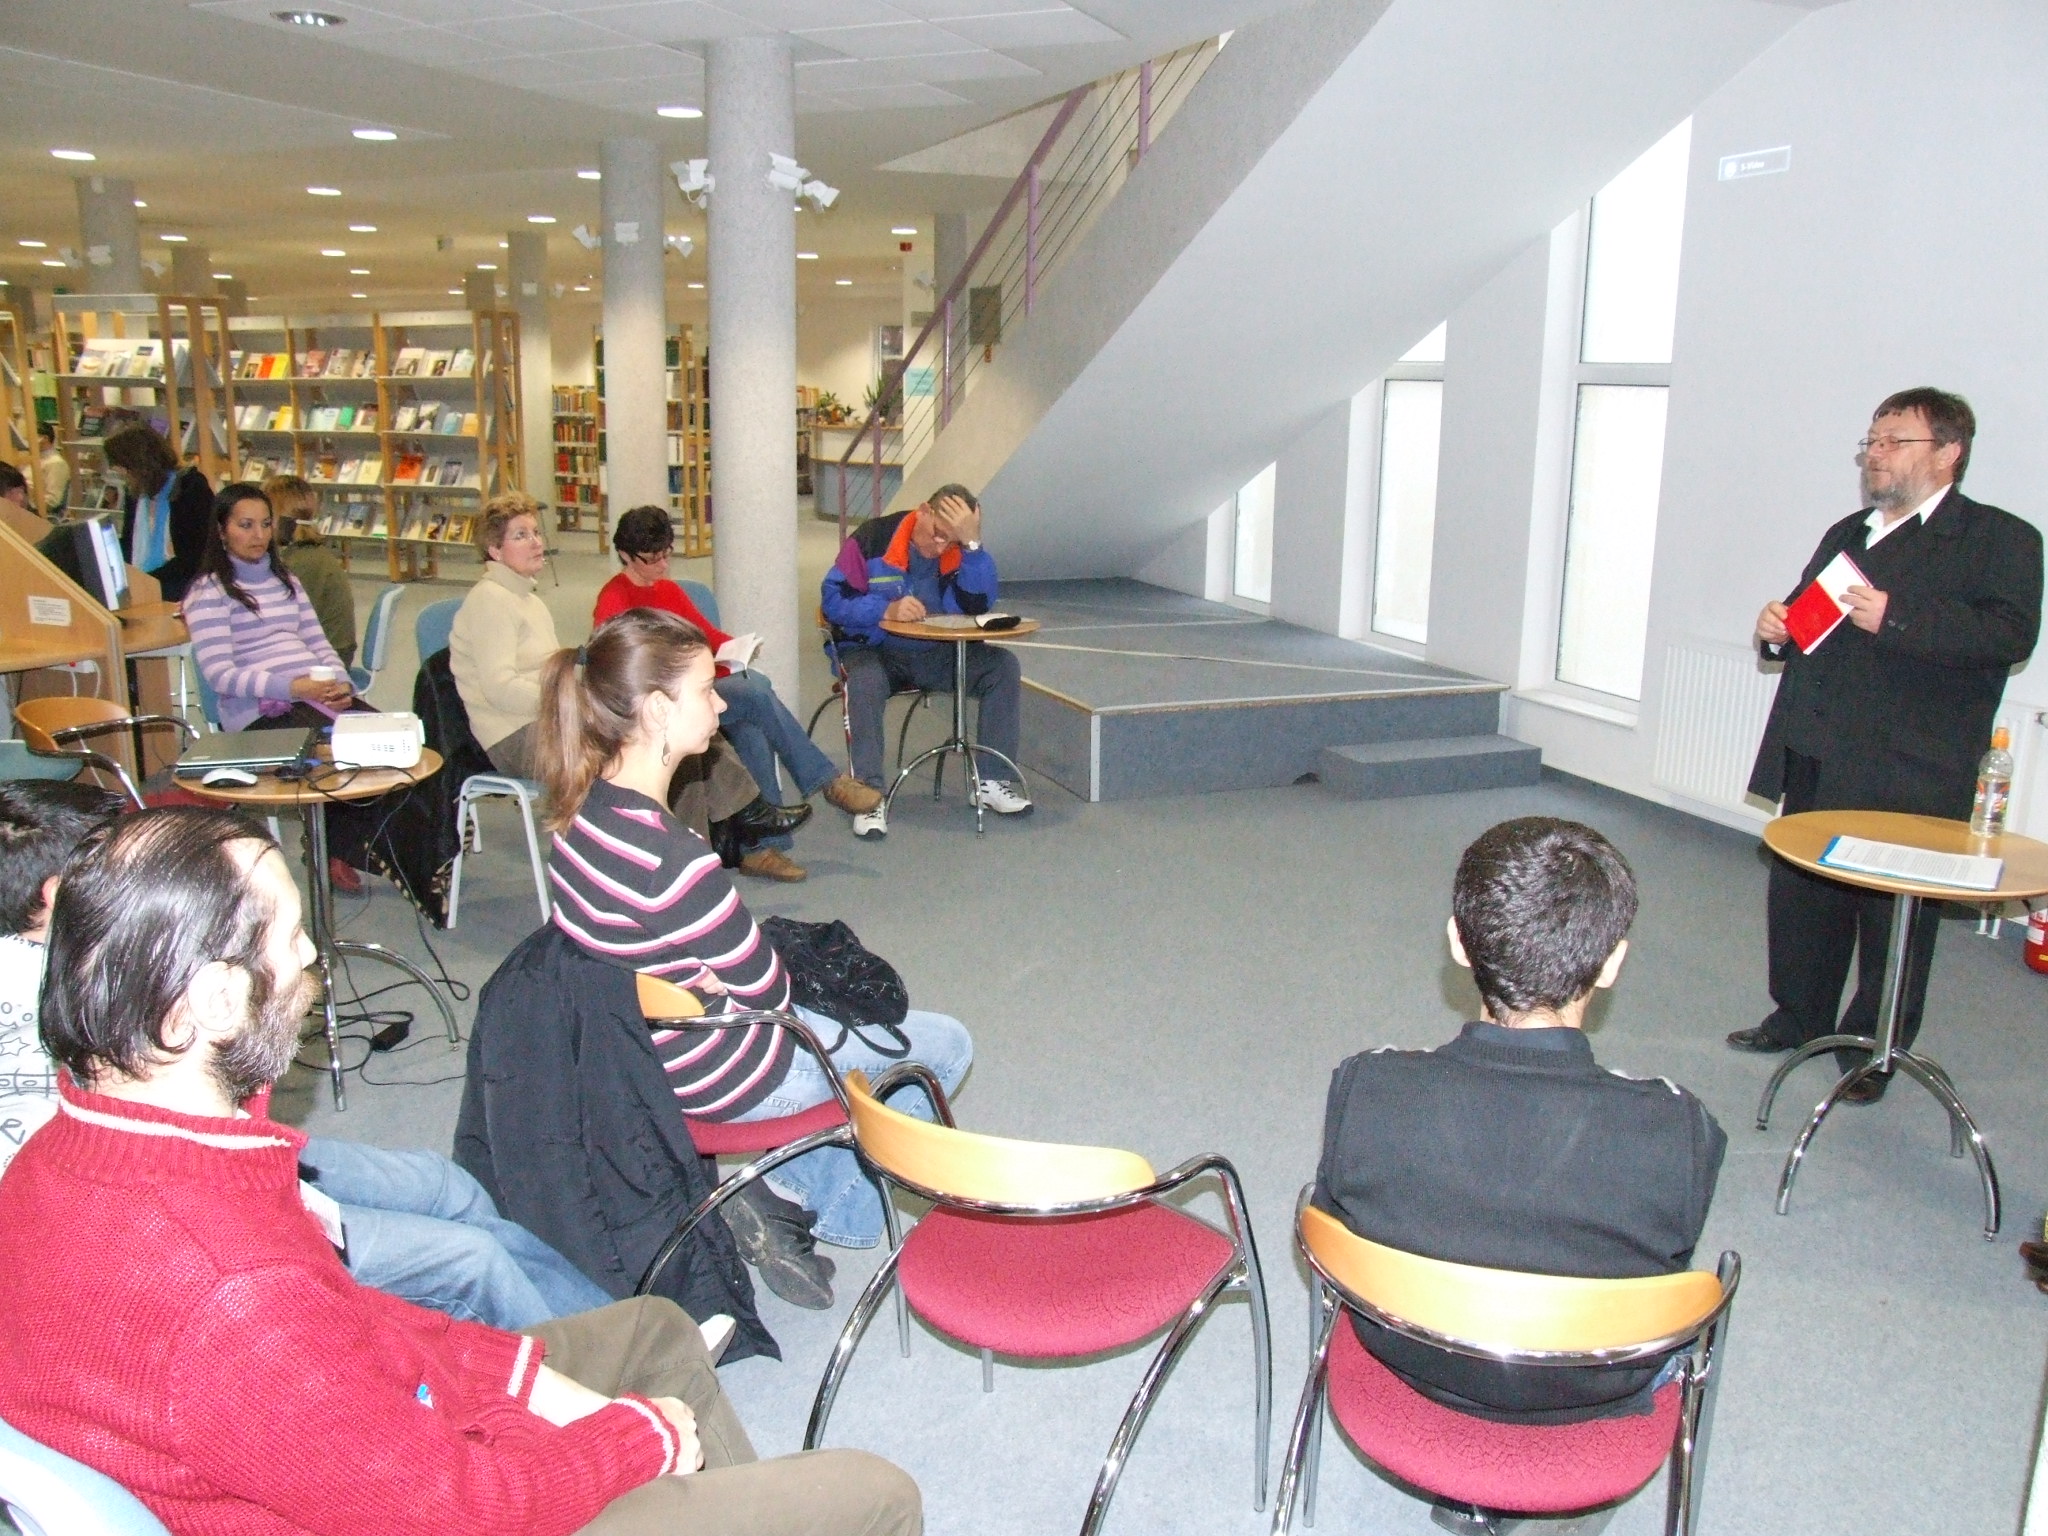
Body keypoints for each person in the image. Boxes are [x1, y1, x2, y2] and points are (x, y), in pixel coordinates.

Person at [0, 805, 921, 1536]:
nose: (314, 957)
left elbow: (350, 1322)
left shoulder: (79, 1154)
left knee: (654, 1331)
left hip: (371, 1437)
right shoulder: (231, 1290)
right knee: (873, 1491)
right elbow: (458, 1510)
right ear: (210, 1002)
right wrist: (630, 1440)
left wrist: (515, 1375)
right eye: (291, 939)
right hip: (439, 1503)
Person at [0, 778, 615, 1332]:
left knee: (446, 1184)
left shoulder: (100, 967)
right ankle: (595, 1363)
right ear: (59, 895)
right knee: (470, 1260)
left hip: (226, 1146)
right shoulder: (94, 1004)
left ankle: (608, 1327)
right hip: (208, 1193)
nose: (312, 954)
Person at [539, 608, 973, 1309]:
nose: (720, 704)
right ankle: (804, 1199)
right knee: (944, 1045)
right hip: (726, 1072)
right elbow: (769, 992)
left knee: (846, 1020)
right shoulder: (676, 859)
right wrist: (724, 979)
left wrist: (710, 978)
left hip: (640, 1061)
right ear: (658, 711)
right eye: (706, 690)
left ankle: (774, 1196)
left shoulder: (577, 820)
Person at [1314, 816, 1726, 1426]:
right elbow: (1667, 1259)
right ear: (1612, 963)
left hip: (1405, 1355)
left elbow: (1334, 1229)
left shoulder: (1367, 1087)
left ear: (1458, 943)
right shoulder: (1677, 1129)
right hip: (1594, 1384)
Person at [1733, 388, 2043, 1102]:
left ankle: (1872, 1049)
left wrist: (1897, 617)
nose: (1875, 454)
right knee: (1804, 896)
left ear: (1948, 452)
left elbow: (2009, 635)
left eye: (1893, 441)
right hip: (1818, 745)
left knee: (1892, 917)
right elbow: (1809, 618)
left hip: (1912, 762)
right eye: (1870, 441)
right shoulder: (1850, 531)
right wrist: (1777, 629)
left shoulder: (2000, 539)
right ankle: (1798, 1015)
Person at [452, 492, 807, 877]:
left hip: (552, 718)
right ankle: (719, 834)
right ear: (494, 549)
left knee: (678, 733)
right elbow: (500, 689)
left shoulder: (528, 600)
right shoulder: (490, 601)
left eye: (536, 532)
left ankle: (697, 853)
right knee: (661, 738)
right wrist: (574, 699)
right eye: (521, 535)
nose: (536, 542)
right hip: (517, 735)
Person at [596, 504, 882, 867]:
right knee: (756, 691)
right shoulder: (614, 600)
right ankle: (827, 782)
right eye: (653, 559)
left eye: (667, 554)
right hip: (663, 704)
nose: (663, 566)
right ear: (625, 554)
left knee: (750, 723)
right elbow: (613, 667)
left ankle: (761, 848)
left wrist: (737, 648)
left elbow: (708, 636)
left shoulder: (668, 591)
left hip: (699, 691)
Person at [181, 481, 377, 888]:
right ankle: (335, 846)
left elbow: (318, 643)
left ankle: (346, 846)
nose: (258, 535)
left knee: (390, 744)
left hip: (315, 695)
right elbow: (221, 674)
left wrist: (340, 683)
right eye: (246, 525)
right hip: (260, 712)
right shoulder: (208, 592)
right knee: (342, 757)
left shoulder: (285, 580)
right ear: (221, 531)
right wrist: (294, 688)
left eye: (266, 524)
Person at [820, 484, 1031, 837]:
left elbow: (978, 604)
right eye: (937, 534)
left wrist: (973, 547)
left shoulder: (960, 552)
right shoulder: (873, 539)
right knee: (865, 681)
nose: (941, 546)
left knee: (1002, 666)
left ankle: (992, 781)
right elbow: (832, 601)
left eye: (953, 540)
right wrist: (885, 609)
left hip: (935, 653)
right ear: (923, 510)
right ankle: (868, 795)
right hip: (873, 650)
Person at [101, 420, 211, 600]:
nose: (118, 472)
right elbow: (129, 542)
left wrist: (148, 580)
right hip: (145, 584)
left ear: (137, 463)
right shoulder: (135, 493)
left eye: (120, 466)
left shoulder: (190, 487)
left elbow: (197, 555)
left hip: (185, 587)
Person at [263, 471, 357, 665]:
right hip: (332, 650)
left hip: (324, 661)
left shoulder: (300, 563)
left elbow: (280, 622)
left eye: (265, 519)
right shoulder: (308, 553)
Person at [36, 423, 69, 517]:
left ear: (44, 438)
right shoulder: (30, 459)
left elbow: (52, 501)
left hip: (38, 514)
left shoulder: (56, 463)